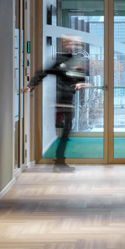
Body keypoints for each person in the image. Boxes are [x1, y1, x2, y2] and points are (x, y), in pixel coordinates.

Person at [28, 39, 89, 170]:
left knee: (67, 132)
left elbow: (81, 78)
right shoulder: (60, 60)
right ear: (64, 45)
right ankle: (59, 162)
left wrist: (80, 83)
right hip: (62, 102)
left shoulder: (76, 60)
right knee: (65, 132)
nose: (72, 46)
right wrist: (31, 84)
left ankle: (60, 161)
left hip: (70, 101)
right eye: (69, 44)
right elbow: (44, 72)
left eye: (75, 44)